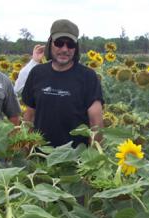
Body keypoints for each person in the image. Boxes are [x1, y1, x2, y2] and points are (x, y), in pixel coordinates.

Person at [21, 19, 104, 147]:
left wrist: (92, 160)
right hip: (40, 157)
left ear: (76, 48)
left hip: (75, 160)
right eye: (59, 43)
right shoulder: (37, 73)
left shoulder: (88, 76)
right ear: (50, 44)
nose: (65, 49)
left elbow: (96, 123)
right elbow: (29, 117)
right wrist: (26, 153)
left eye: (70, 44)